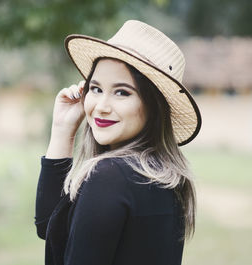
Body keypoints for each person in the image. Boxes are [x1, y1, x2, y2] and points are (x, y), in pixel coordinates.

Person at [34, 20, 202, 265]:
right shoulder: (164, 177)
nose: (101, 107)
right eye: (96, 89)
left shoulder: (110, 177)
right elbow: (52, 229)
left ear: (153, 106)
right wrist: (62, 129)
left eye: (122, 92)